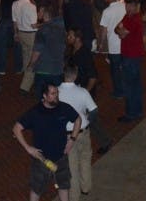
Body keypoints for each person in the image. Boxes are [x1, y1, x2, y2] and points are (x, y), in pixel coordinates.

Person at [13, 83, 81, 201]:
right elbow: (16, 128)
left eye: (57, 93)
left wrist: (72, 139)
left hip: (61, 157)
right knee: (36, 189)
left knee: (63, 186)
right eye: (53, 94)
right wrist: (28, 148)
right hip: (41, 159)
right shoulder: (35, 112)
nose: (56, 96)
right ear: (44, 96)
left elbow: (78, 119)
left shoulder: (64, 108)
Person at [58, 65, 97, 196]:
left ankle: (74, 196)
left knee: (71, 166)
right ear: (75, 75)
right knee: (85, 159)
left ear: (64, 74)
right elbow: (94, 110)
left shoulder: (57, 93)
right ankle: (86, 187)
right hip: (83, 131)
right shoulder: (82, 92)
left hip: (67, 135)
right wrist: (87, 120)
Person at [114, 0, 145, 122]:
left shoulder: (133, 20)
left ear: (134, 6)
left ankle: (130, 113)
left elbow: (121, 33)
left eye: (128, 6)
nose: (126, 8)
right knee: (136, 85)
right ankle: (138, 111)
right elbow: (117, 29)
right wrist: (120, 29)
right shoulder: (129, 17)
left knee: (129, 86)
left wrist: (120, 30)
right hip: (134, 55)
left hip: (131, 57)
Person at [97, 0, 125, 98]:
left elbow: (104, 30)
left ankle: (118, 92)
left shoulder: (107, 11)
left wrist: (101, 43)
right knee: (124, 68)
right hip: (124, 44)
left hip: (114, 46)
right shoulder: (124, 7)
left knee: (115, 71)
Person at [13, 0, 39, 94]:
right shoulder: (31, 6)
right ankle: (25, 86)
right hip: (31, 34)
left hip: (21, 33)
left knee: (26, 56)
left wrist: (16, 33)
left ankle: (27, 77)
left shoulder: (15, 4)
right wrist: (44, 23)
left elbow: (14, 21)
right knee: (33, 59)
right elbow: (34, 25)